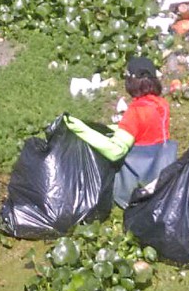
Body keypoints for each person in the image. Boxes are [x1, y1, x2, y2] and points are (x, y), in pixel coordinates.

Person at [64, 56, 177, 208]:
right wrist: (114, 128)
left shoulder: (136, 111)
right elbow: (147, 131)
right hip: (161, 175)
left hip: (138, 183)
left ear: (131, 81)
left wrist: (80, 129)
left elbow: (115, 151)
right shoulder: (161, 104)